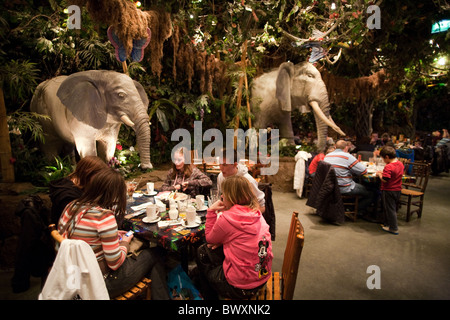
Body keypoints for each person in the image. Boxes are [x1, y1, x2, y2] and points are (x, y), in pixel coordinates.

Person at [57, 167, 170, 299]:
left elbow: (86, 236)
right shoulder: (103, 216)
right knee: (157, 252)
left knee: (146, 256)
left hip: (71, 276)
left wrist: (112, 235)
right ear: (114, 194)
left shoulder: (72, 205)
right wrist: (124, 243)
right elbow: (114, 263)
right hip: (99, 283)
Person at [196, 175, 273, 299]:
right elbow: (243, 237)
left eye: (224, 194)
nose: (222, 197)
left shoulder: (228, 218)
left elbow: (209, 238)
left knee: (202, 253)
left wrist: (211, 211)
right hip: (261, 278)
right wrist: (225, 241)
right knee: (217, 250)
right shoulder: (256, 213)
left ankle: (209, 297)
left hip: (239, 288)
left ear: (231, 197)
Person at [49, 156, 109, 225]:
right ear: (88, 174)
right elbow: (82, 221)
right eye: (98, 178)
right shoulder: (68, 196)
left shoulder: (77, 185)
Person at [324, 140, 375, 218]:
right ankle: (352, 209)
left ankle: (346, 206)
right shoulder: (347, 156)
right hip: (344, 187)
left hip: (330, 187)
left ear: (335, 147)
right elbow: (363, 171)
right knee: (371, 193)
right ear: (346, 148)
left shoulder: (327, 156)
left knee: (357, 184)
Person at [376, 146, 404, 235]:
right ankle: (388, 224)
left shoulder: (389, 166)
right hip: (397, 189)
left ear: (387, 157)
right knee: (392, 208)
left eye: (383, 158)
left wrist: (380, 174)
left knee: (390, 209)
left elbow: (385, 179)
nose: (383, 160)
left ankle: (393, 228)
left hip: (389, 190)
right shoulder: (400, 164)